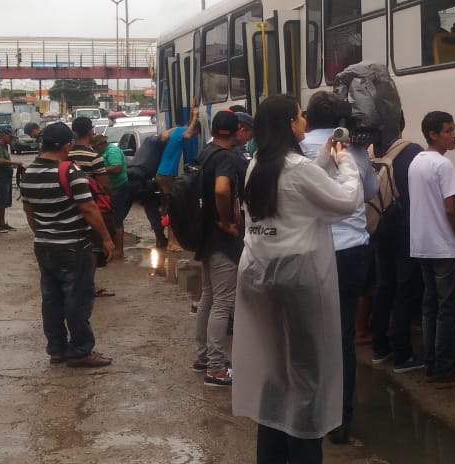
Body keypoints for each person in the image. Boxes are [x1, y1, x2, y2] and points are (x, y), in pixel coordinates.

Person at [233, 95, 364, 463]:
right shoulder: (296, 168)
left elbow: (297, 181)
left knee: (274, 370)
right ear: (291, 123)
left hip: (256, 273)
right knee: (307, 373)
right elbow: (345, 201)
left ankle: (271, 455)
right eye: (300, 115)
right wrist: (345, 163)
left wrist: (324, 158)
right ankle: (304, 452)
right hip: (297, 276)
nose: (305, 120)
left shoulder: (258, 163)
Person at [300, 91, 379, 445]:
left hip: (309, 252)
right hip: (350, 253)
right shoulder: (355, 151)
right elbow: (368, 192)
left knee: (308, 333)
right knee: (343, 336)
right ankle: (341, 422)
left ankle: (309, 412)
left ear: (307, 119)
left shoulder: (296, 152)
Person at [20, 122, 115, 368]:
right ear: (66, 145)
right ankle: (81, 350)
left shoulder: (28, 173)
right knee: (77, 299)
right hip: (74, 245)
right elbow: (88, 208)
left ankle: (57, 349)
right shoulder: (70, 171)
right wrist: (106, 238)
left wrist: (44, 233)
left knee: (51, 299)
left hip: (44, 245)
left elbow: (29, 211)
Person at [409, 111, 455, 387]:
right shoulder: (443, 165)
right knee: (446, 308)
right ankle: (444, 368)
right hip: (444, 246)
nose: (454, 135)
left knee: (430, 306)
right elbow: (451, 207)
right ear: (434, 134)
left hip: (422, 245)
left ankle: (431, 361)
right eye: (448, 131)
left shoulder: (416, 162)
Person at [191, 110, 247, 387]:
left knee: (210, 297)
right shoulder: (226, 157)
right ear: (237, 130)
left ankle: (203, 356)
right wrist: (227, 223)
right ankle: (215, 368)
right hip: (221, 238)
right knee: (223, 301)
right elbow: (222, 189)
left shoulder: (206, 152)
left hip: (204, 236)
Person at [368, 124, 425, 375]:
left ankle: (380, 347)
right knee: (404, 288)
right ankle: (403, 354)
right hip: (404, 229)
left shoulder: (369, 151)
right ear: (400, 124)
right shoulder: (411, 151)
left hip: (379, 227)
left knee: (383, 285)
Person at [69, 118, 117, 271]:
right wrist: (111, 197)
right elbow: (104, 184)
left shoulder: (66, 153)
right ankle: (90, 284)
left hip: (69, 204)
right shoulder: (93, 156)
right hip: (89, 203)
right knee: (93, 245)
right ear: (90, 131)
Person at [156, 106, 201, 251]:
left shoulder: (176, 131)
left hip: (161, 173)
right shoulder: (184, 132)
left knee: (166, 207)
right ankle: (172, 243)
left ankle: (167, 239)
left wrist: (185, 123)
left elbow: (163, 135)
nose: (193, 137)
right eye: (196, 134)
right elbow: (188, 134)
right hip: (167, 174)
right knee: (172, 208)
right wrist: (194, 118)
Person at [97, 132, 131, 257]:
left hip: (118, 188)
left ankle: (119, 250)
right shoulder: (104, 152)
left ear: (103, 144)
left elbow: (117, 168)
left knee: (117, 219)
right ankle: (113, 248)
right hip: (111, 189)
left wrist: (99, 170)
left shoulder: (112, 151)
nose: (96, 150)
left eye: (96, 147)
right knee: (110, 218)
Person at [0, 128, 19, 233]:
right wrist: (15, 163)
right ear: (3, 135)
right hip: (0, 177)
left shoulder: (4, 146)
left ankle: (2, 223)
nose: (11, 139)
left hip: (6, 177)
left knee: (4, 202)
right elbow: (0, 161)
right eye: (10, 137)